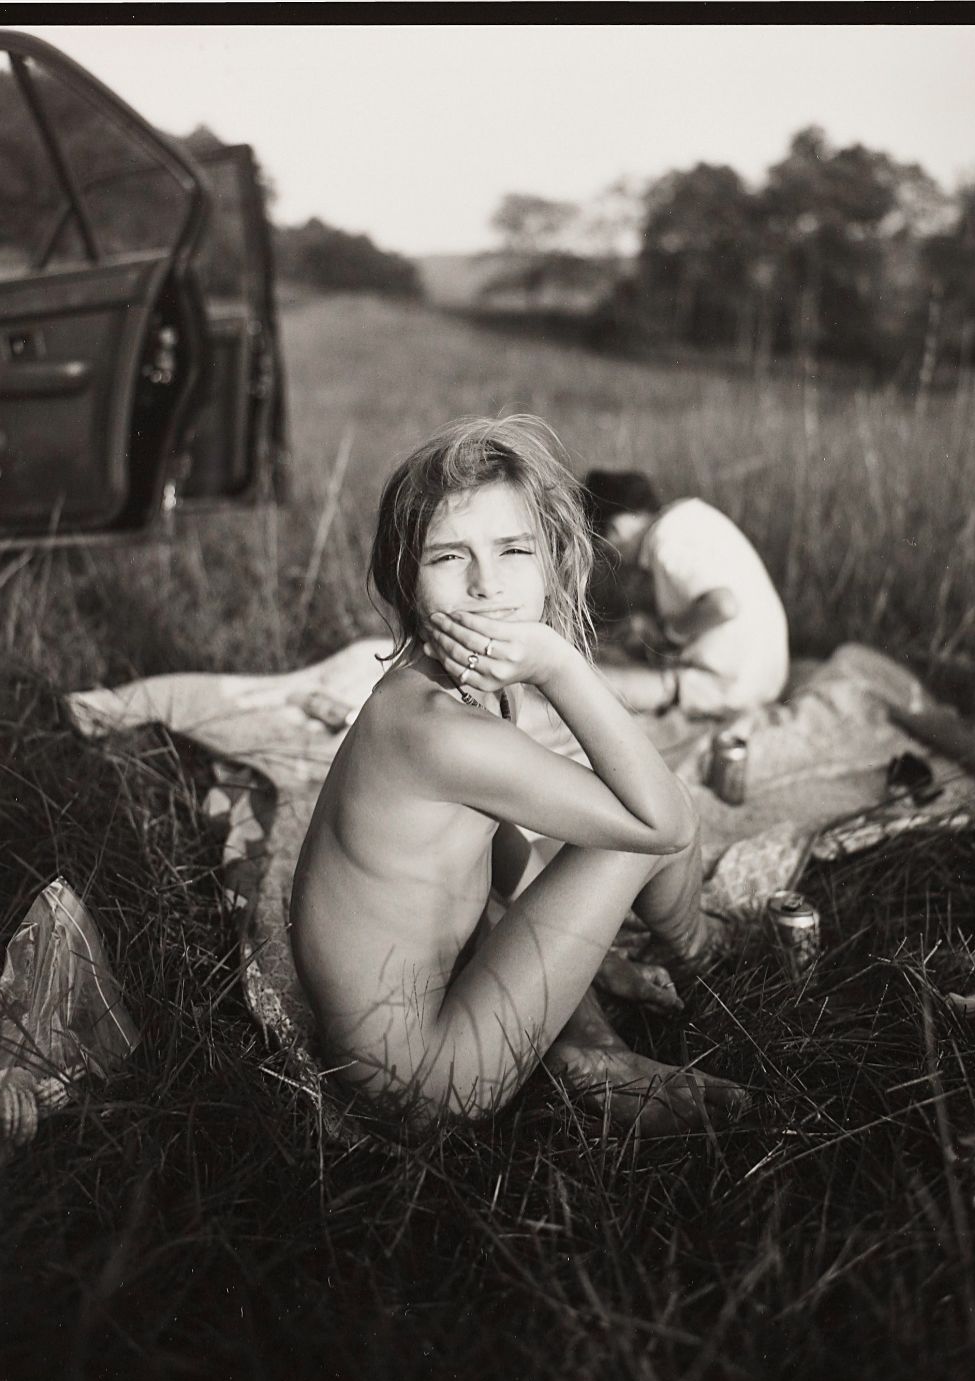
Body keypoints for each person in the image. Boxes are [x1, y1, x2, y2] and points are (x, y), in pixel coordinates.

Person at [289, 416, 746, 1132]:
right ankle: (705, 953)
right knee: (636, 825)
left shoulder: (447, 687)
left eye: (513, 549)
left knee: (574, 841)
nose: (486, 586)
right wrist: (560, 663)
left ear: (551, 559)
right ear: (404, 578)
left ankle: (583, 1045)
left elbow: (501, 855)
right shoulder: (434, 731)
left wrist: (589, 974)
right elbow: (666, 823)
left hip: (430, 1027)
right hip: (430, 1084)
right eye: (448, 557)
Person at [580, 471, 791, 718]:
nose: (618, 558)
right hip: (767, 671)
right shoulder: (687, 516)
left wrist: (669, 633)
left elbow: (723, 605)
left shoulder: (665, 541)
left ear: (616, 528)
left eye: (606, 547)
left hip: (739, 685)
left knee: (603, 682)